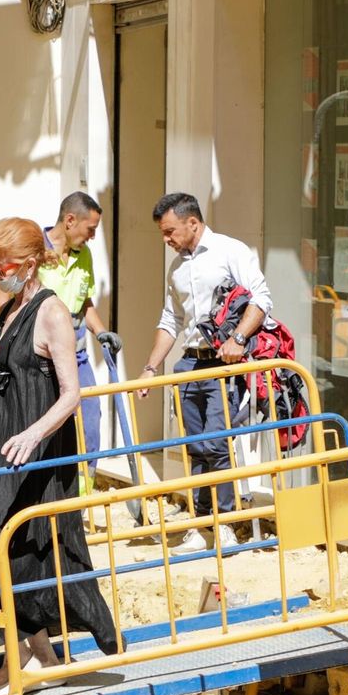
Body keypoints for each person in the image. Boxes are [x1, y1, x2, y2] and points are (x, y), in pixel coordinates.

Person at [0, 217, 119, 689]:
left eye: (2, 268)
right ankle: (38, 657)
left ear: (31, 264)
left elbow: (71, 393)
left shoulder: (51, 312)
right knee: (0, 555)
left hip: (36, 454)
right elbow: (7, 384)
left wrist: (33, 435)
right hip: (3, 450)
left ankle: (24, 660)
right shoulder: (7, 307)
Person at [135, 192, 275, 552]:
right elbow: (171, 320)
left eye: (169, 232)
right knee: (194, 447)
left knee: (216, 444)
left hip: (224, 364)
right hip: (189, 362)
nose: (166, 240)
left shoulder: (230, 251)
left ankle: (224, 524)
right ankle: (200, 525)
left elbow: (261, 298)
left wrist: (238, 338)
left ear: (192, 223)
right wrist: (150, 368)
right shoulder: (177, 268)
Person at [36, 192, 121, 488]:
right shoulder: (34, 250)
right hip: (42, 361)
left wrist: (101, 332)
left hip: (78, 357)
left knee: (90, 421)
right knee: (47, 425)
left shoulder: (84, 255)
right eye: (91, 229)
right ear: (70, 220)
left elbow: (85, 303)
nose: (93, 237)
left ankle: (82, 495)